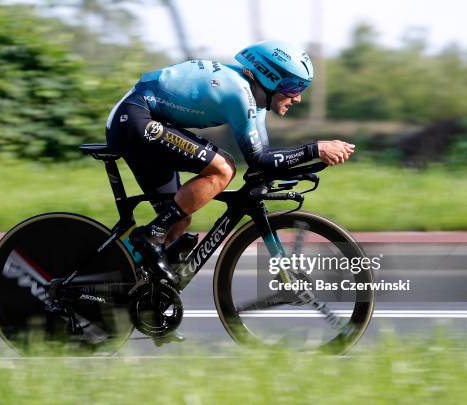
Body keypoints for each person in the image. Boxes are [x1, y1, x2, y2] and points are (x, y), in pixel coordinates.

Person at [106, 40, 355, 286]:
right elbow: (259, 159)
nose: (298, 97)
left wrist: (306, 165)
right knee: (222, 168)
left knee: (178, 219)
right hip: (136, 119)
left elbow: (263, 161)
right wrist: (314, 149)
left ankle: (119, 279)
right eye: (294, 86)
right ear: (270, 77)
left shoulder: (254, 101)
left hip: (140, 121)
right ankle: (149, 237)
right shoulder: (238, 92)